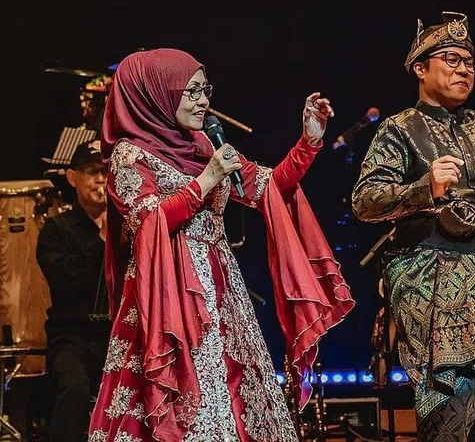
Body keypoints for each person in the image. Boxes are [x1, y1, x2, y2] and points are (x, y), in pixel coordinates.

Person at [87, 48, 354, 442]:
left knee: (235, 392)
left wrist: (308, 143)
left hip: (219, 281)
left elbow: (268, 186)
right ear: (157, 94)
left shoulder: (202, 144)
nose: (204, 102)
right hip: (166, 290)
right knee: (172, 394)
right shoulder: (130, 155)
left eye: (205, 90)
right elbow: (148, 224)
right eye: (191, 92)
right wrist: (205, 181)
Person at [352, 11, 475, 442]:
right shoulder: (399, 130)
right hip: (428, 272)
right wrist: (425, 188)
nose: (463, 70)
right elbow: (364, 203)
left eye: (469, 63)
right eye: (451, 59)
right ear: (420, 69)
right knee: (450, 404)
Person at [36, 139, 111, 442]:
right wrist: (104, 237)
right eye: (92, 172)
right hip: (75, 338)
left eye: (106, 171)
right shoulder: (57, 230)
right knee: (73, 388)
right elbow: (67, 284)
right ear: (72, 177)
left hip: (121, 335)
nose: (101, 180)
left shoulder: (132, 225)